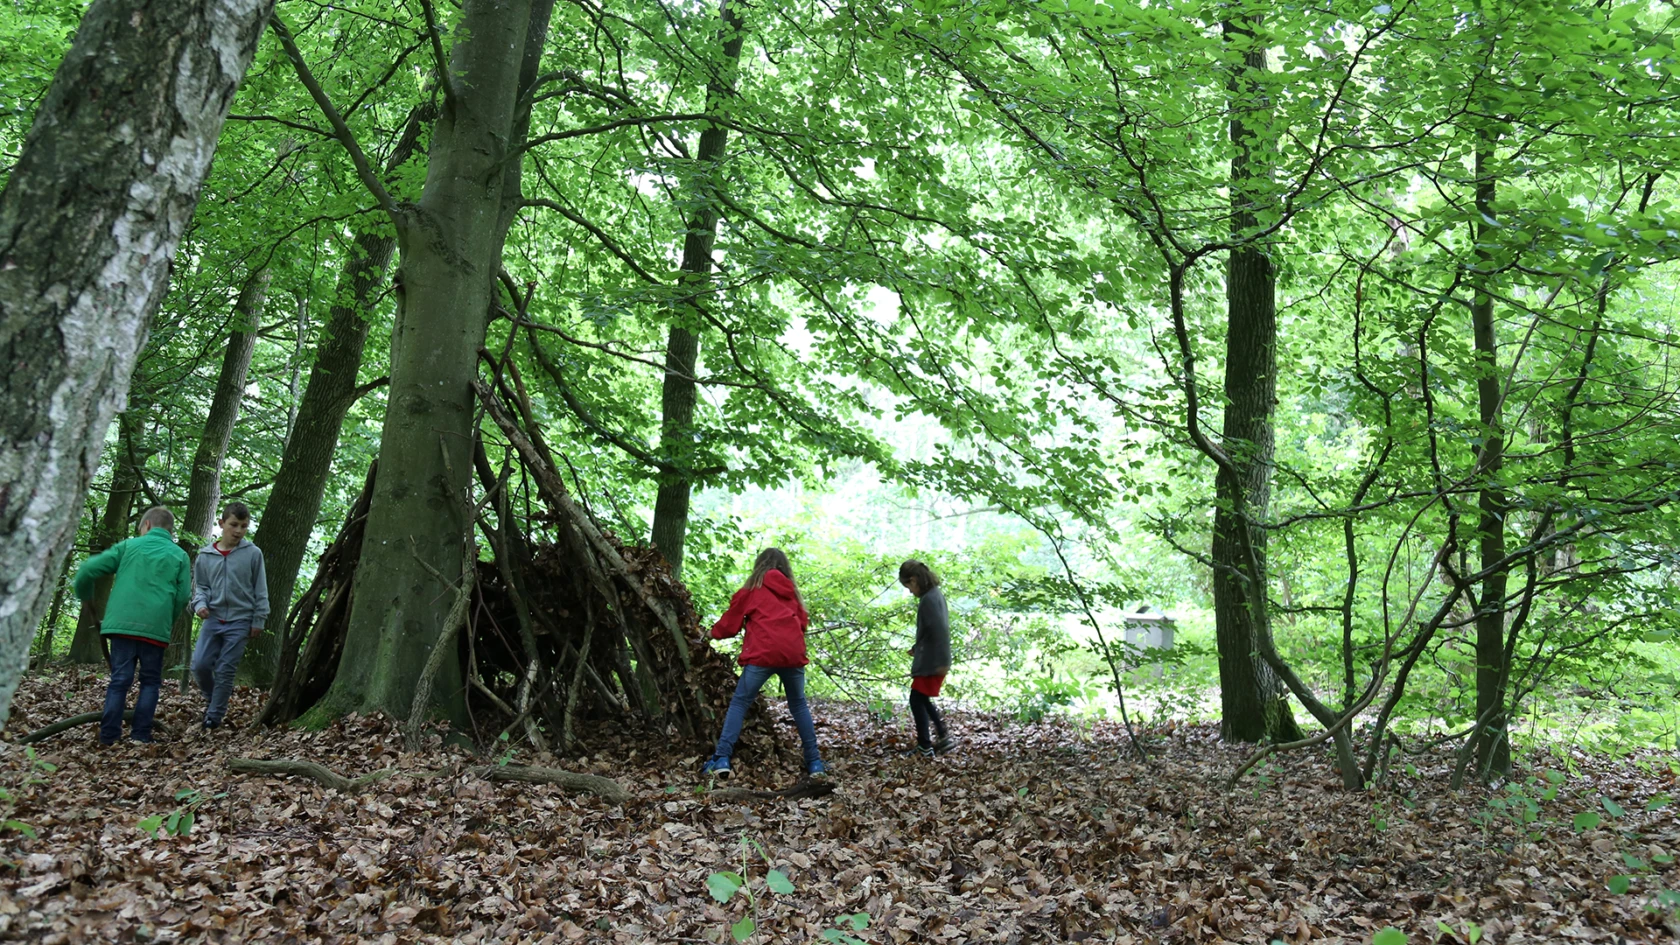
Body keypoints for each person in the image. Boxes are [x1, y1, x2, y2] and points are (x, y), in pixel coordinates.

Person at [701, 548, 827, 780]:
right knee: (799, 705)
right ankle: (815, 763)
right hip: (792, 656)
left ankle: (721, 758)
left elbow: (730, 625)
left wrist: (709, 634)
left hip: (762, 656)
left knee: (740, 703)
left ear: (760, 565)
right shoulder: (792, 594)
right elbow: (802, 624)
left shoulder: (752, 590)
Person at [72, 506, 193, 746]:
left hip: (122, 626)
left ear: (146, 525)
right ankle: (139, 736)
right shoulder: (180, 556)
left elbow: (86, 570)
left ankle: (108, 737)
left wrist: (85, 596)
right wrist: (167, 618)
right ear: (168, 529)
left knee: (120, 680)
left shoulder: (128, 546)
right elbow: (183, 596)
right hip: (155, 629)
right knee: (150, 682)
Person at [189, 501, 269, 730]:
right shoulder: (205, 555)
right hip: (213, 618)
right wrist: (200, 605)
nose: (238, 531)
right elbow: (201, 587)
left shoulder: (253, 554)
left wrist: (258, 619)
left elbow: (260, 589)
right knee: (200, 665)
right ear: (222, 523)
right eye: (234, 525)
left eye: (244, 526)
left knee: (225, 669)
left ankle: (213, 718)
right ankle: (213, 698)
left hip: (240, 620)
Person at [900, 559, 956, 758]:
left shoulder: (929, 599)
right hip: (935, 658)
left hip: (933, 662)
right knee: (921, 698)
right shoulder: (934, 595)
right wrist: (918, 647)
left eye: (908, 586)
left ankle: (926, 745)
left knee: (917, 699)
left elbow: (938, 630)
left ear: (914, 580)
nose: (909, 591)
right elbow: (932, 630)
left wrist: (938, 661)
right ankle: (942, 736)